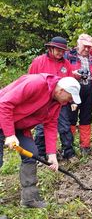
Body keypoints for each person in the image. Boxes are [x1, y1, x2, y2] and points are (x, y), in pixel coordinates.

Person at [0, 74, 81, 208]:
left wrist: (51, 154)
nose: (69, 101)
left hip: (18, 125)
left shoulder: (57, 102)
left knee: (31, 154)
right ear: (61, 91)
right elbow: (4, 104)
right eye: (69, 97)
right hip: (3, 117)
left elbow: (50, 125)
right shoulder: (36, 83)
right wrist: (9, 134)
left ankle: (29, 199)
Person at [29, 36, 76, 160]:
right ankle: (41, 156)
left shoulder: (66, 64)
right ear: (51, 48)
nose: (60, 53)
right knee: (41, 129)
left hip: (60, 102)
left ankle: (69, 153)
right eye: (58, 50)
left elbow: (71, 82)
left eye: (63, 51)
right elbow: (30, 81)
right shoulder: (38, 62)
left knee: (65, 127)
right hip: (42, 102)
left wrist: (72, 100)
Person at [65, 33, 92, 155]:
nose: (87, 49)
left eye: (89, 46)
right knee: (70, 118)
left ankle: (85, 146)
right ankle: (68, 146)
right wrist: (73, 74)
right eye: (85, 46)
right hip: (72, 91)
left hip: (89, 89)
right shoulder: (69, 56)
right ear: (78, 44)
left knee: (86, 118)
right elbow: (62, 73)